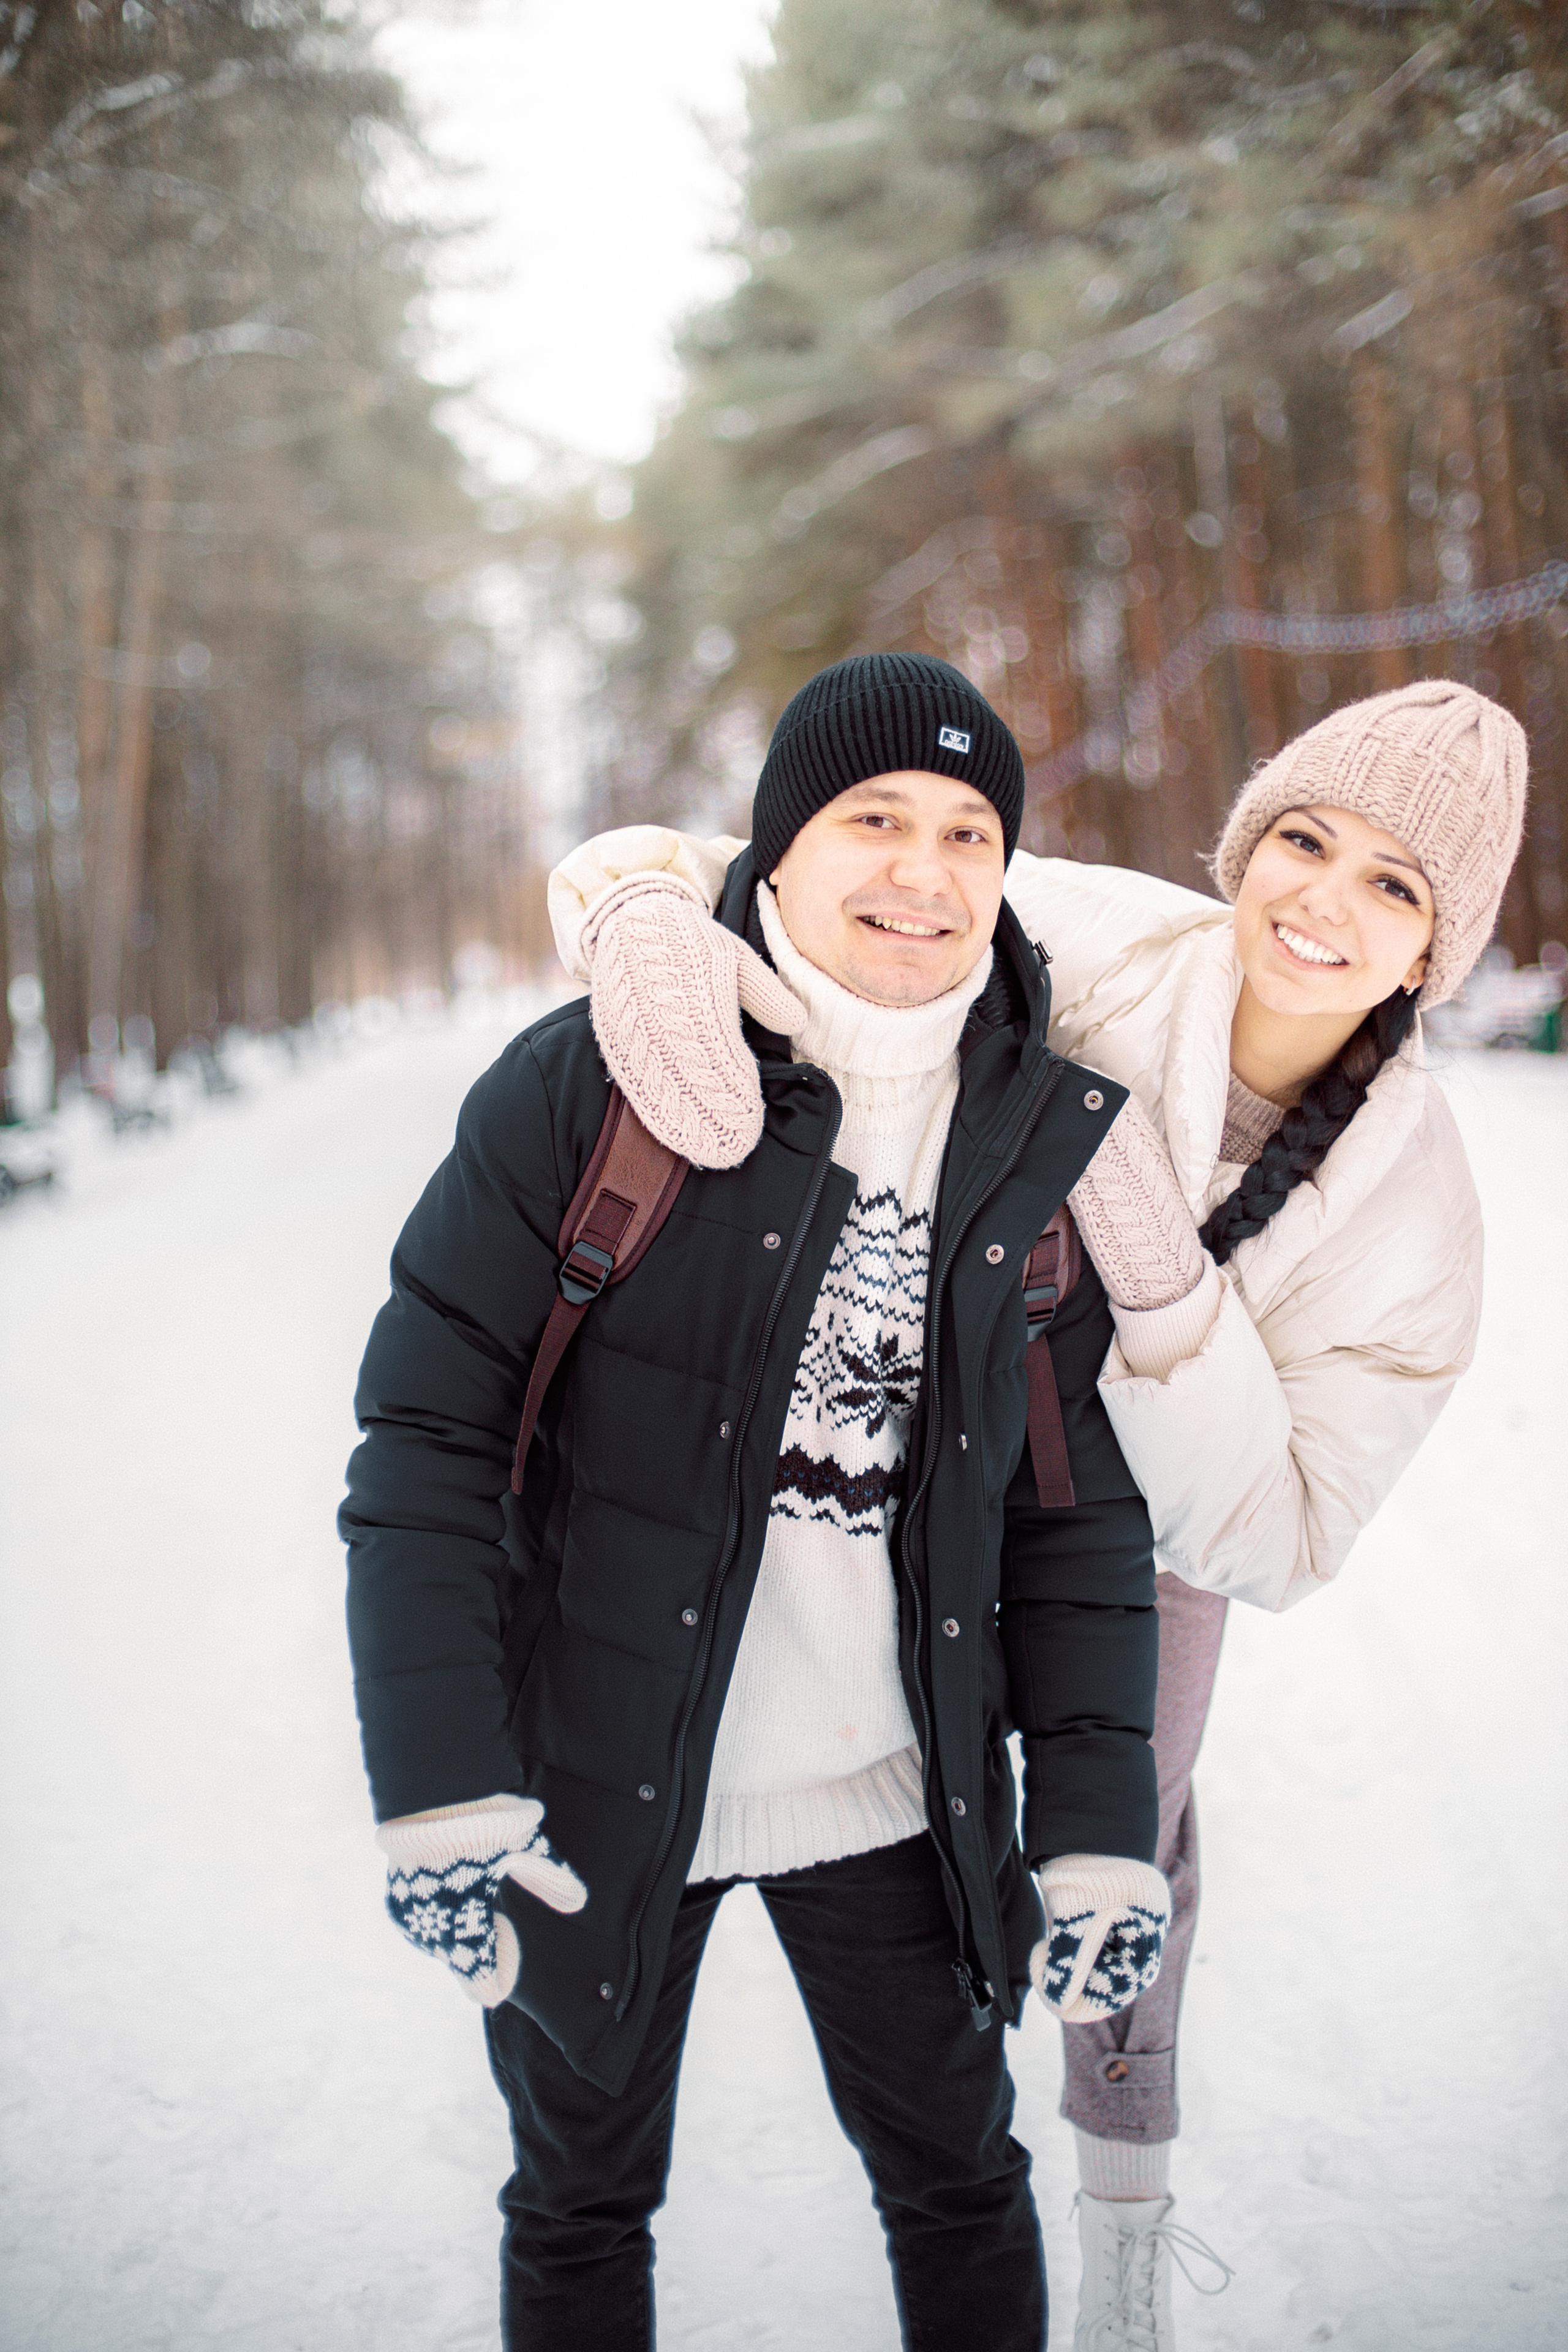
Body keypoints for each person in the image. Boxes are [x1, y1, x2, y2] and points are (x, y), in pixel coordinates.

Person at [548, 675, 1528, 2350]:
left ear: (1437, 948)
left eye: (1396, 884)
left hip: (1143, 1535)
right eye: (1305, 840)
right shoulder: (1088, 930)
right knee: (861, 1829)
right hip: (901, 1442)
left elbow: (1274, 1541)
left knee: (1120, 1847)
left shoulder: (1414, 1223)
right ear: (1246, 847)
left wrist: (1164, 1291)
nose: (1325, 900)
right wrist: (639, 917)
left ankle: (1126, 2247)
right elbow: (730, 861)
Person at [341, 651, 1223, 2352]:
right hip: (589, 1791)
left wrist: (1100, 1827)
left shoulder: (1036, 1138)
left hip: (895, 1796)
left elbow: (1075, 1521)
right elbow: (426, 1439)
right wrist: (442, 1780)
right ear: (777, 846)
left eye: (972, 831)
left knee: (962, 2189)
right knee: (581, 2205)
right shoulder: (591, 1081)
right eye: (875, 817)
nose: (926, 868)